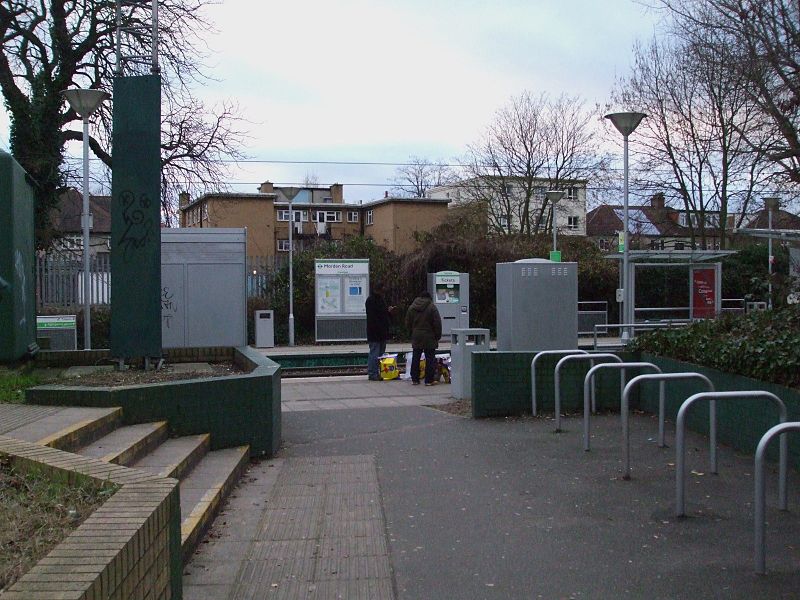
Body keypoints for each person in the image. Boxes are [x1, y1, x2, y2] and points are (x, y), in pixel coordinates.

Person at [405, 290, 442, 386]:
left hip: (416, 335)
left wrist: (411, 334)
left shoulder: (412, 307)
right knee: (430, 358)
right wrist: (437, 336)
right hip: (429, 336)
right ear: (429, 298)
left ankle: (415, 379)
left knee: (416, 357)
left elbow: (407, 323)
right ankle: (429, 380)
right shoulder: (432, 307)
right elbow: (437, 323)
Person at [365, 283, 394, 381]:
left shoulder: (377, 300)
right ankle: (372, 373)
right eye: (383, 290)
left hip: (380, 331)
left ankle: (376, 372)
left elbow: (381, 314)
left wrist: (388, 312)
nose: (384, 293)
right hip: (376, 332)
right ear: (379, 290)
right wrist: (386, 312)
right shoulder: (372, 300)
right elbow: (377, 317)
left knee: (379, 353)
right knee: (375, 353)